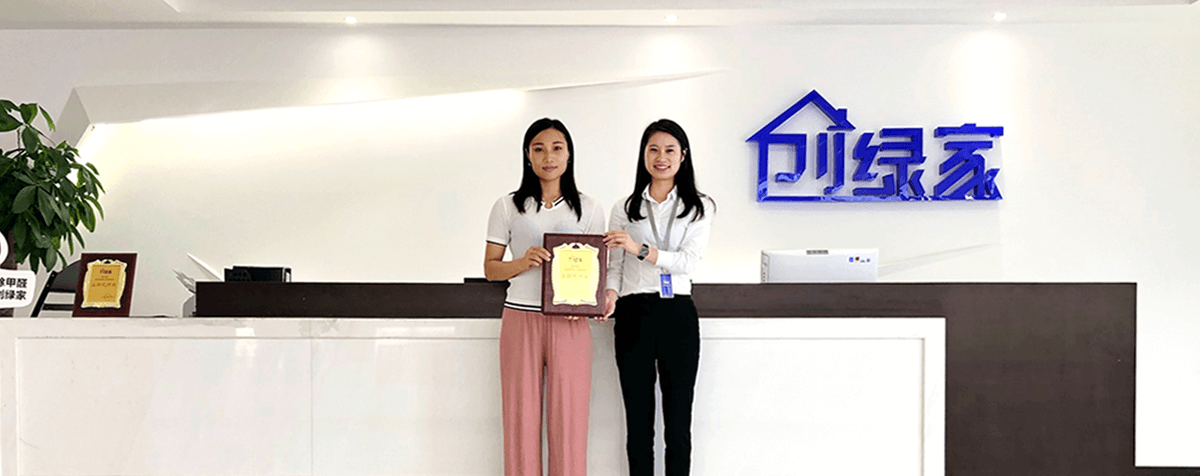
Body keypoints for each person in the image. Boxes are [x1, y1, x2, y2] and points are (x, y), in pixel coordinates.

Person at [484, 118, 607, 476]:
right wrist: (522, 262)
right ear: (528, 156)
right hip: (519, 317)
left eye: (556, 148)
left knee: (570, 419)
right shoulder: (507, 206)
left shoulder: (589, 208)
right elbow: (491, 268)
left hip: (570, 321)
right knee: (519, 417)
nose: (548, 157)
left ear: (569, 155)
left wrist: (589, 301)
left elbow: (597, 269)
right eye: (539, 149)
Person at [603, 119, 714, 476]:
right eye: (653, 149)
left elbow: (688, 262)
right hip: (632, 313)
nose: (661, 157)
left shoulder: (699, 207)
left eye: (669, 150)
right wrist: (610, 295)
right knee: (638, 424)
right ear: (643, 155)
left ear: (683, 155)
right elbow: (614, 266)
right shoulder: (625, 207)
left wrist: (641, 249)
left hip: (677, 313)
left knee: (678, 424)